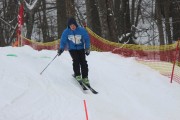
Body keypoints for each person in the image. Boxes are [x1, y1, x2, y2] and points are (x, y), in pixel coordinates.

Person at [57, 17, 91, 85]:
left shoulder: (81, 30)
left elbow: (87, 39)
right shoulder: (66, 32)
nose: (72, 27)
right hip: (72, 49)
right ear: (69, 26)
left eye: (73, 25)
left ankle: (85, 77)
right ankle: (77, 74)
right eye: (71, 25)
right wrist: (61, 48)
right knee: (76, 60)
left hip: (81, 48)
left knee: (83, 62)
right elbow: (63, 41)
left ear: (76, 24)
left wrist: (87, 48)